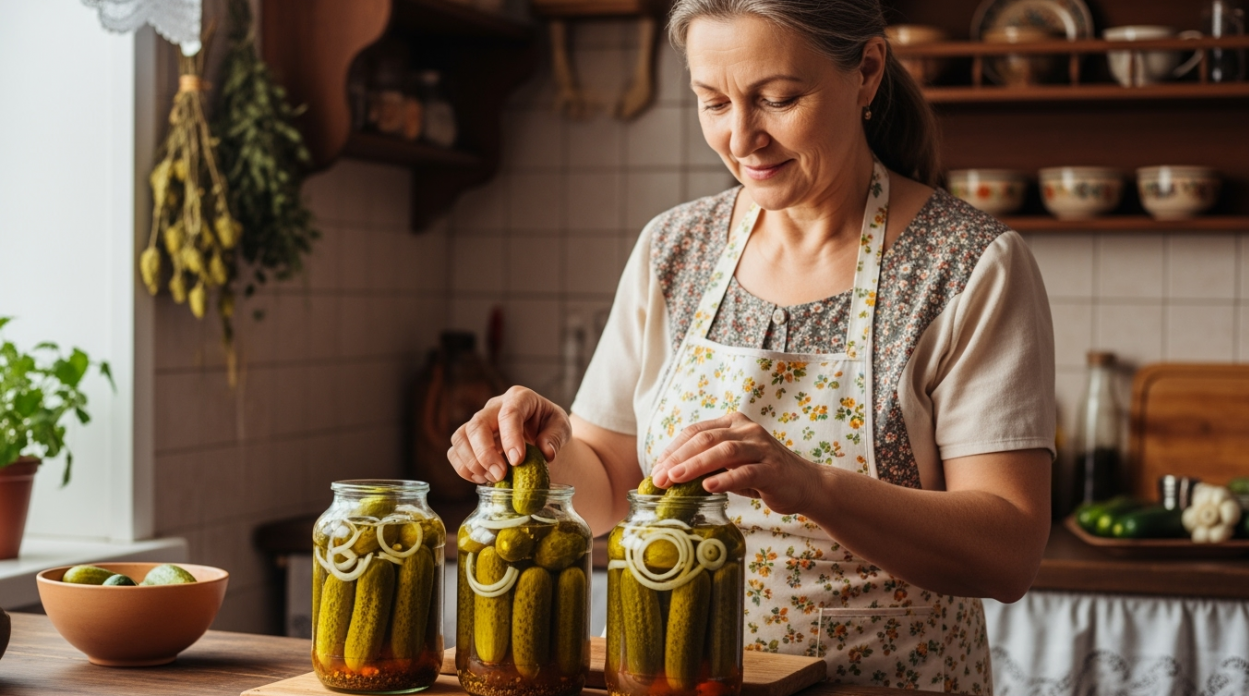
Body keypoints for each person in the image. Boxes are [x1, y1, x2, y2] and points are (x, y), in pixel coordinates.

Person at [447, 0, 1056, 691]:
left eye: (777, 99)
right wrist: (548, 450)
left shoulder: (967, 265)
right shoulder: (674, 250)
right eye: (712, 102)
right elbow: (612, 492)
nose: (742, 138)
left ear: (867, 71)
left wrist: (811, 486)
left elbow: (1007, 551)